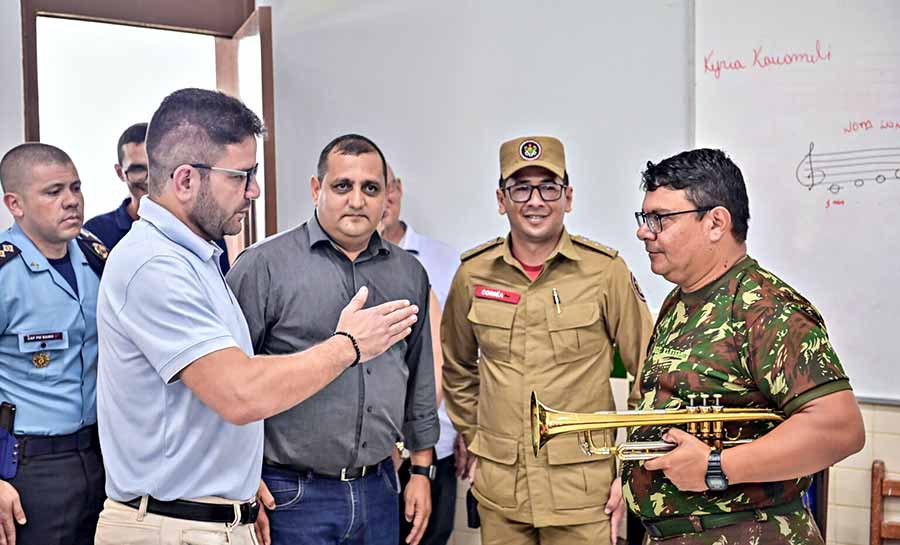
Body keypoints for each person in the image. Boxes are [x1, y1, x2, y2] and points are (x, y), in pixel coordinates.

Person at [94, 91, 418, 545]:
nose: (255, 191)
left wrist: (243, 498)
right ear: (186, 180)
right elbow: (239, 392)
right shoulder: (155, 265)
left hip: (217, 519)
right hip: (176, 527)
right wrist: (349, 345)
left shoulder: (197, 259)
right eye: (242, 176)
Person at [621, 148, 865, 544]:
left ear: (716, 222)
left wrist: (717, 466)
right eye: (645, 218)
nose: (644, 231)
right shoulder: (678, 303)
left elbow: (840, 428)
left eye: (660, 219)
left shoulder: (765, 307)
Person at [226, 134, 439, 545]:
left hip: (380, 489)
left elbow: (419, 378)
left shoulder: (409, 275)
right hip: (291, 495)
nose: (357, 201)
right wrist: (241, 478)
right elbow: (229, 386)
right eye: (343, 186)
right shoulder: (263, 268)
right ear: (316, 189)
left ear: (387, 196)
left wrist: (422, 472)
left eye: (370, 188)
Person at [441, 135, 653, 545]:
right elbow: (457, 366)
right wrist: (479, 438)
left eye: (548, 187)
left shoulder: (604, 272)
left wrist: (630, 471)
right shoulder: (472, 275)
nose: (534, 200)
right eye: (520, 188)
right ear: (502, 199)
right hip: (502, 493)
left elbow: (648, 372)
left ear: (568, 197)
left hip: (583, 494)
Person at [0, 143, 107, 545]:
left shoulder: (97, 259)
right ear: (16, 203)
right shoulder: (5, 272)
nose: (71, 201)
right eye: (53, 192)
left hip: (98, 458)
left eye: (76, 188)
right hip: (28, 468)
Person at [380, 165, 460, 545]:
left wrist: (468, 430)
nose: (381, 198)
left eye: (385, 186)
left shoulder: (444, 261)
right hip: (368, 455)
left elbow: (457, 357)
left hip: (432, 445)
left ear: (398, 189)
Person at [84, 122, 232, 273]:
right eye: (138, 170)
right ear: (120, 172)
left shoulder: (203, 230)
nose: (150, 180)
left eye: (156, 167)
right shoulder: (97, 234)